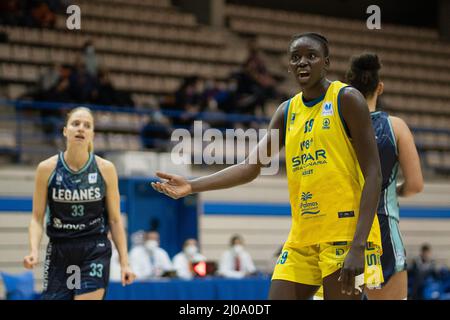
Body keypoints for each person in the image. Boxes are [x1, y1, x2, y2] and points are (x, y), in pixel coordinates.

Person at [152, 32, 385, 300]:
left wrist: (359, 245)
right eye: (296, 57)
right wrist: (192, 185)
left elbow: (373, 174)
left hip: (346, 234)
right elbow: (251, 166)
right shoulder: (286, 112)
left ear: (327, 62)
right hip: (303, 237)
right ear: (288, 66)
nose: (303, 63)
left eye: (312, 56)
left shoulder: (347, 99)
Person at [23, 106, 135, 300]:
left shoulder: (105, 169)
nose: (81, 128)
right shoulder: (47, 169)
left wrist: (125, 262)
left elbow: (116, 221)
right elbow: (36, 218)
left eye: (87, 125)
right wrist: (33, 249)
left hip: (94, 247)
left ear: (92, 134)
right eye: (76, 124)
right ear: (66, 131)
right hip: (60, 248)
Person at [345, 52, 424, 300]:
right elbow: (415, 185)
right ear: (380, 87)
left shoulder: (335, 127)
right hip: (382, 228)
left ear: (349, 89)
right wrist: (395, 190)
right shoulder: (396, 127)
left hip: (341, 229)